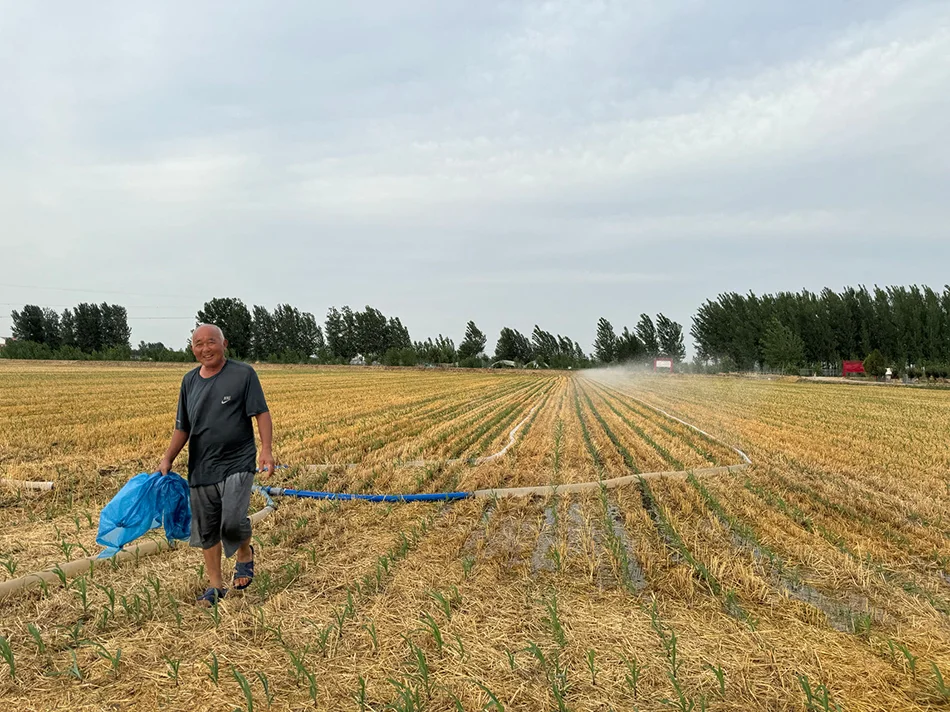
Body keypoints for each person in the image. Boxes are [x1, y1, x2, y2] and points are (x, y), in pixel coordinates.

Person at [159, 323, 276, 606]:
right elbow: (182, 427)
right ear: (192, 349)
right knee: (207, 528)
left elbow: (261, 413)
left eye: (211, 342)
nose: (205, 348)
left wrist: (267, 450)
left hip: (238, 460)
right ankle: (215, 586)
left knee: (232, 522)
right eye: (198, 343)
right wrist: (168, 457)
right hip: (201, 466)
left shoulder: (242, 374)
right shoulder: (189, 382)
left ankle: (244, 552)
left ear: (224, 344)